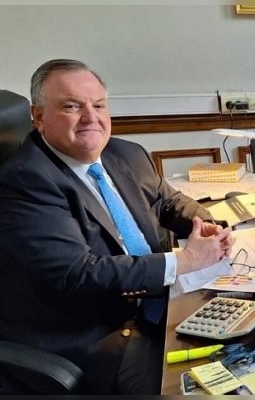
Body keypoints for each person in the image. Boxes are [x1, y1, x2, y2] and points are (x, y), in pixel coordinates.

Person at [0, 59, 235, 394]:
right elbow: (79, 273)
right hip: (100, 335)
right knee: (198, 386)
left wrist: (206, 224)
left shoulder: (125, 153)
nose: (90, 117)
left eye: (98, 105)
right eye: (72, 106)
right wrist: (186, 261)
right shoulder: (26, 181)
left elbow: (167, 200)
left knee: (243, 344)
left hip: (159, 302)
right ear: (38, 117)